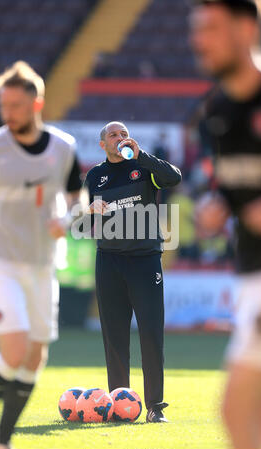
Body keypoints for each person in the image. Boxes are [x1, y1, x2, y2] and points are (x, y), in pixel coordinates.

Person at [0, 61, 82, 449]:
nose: (8, 113)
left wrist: (69, 219)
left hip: (41, 263)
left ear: (37, 103)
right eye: (4, 106)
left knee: (35, 359)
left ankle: (2, 440)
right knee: (16, 350)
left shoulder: (63, 148)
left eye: (16, 105)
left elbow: (77, 199)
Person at [190, 0, 261, 449]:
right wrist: (215, 206)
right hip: (252, 274)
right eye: (196, 29)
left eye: (211, 28)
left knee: (236, 412)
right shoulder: (217, 108)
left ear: (246, 29)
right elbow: (233, 187)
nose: (198, 40)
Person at [74, 121, 181, 422]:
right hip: (108, 261)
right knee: (114, 337)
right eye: (113, 135)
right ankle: (121, 405)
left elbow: (174, 177)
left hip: (145, 260)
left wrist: (142, 156)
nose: (120, 138)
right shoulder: (94, 176)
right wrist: (87, 212)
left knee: (150, 333)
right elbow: (78, 227)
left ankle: (155, 408)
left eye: (123, 134)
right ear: (102, 144)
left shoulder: (144, 167)